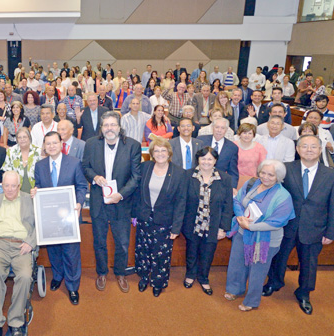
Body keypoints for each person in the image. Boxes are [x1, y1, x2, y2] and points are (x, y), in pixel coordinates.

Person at [262, 135, 334, 315]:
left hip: (315, 228)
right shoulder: (285, 170)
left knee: (309, 263)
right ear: (297, 150)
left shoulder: (333, 176)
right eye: (304, 146)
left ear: (320, 150)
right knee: (278, 258)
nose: (308, 150)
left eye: (313, 147)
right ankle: (273, 282)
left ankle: (304, 293)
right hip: (286, 224)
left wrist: (331, 232)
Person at [82, 111, 141, 293]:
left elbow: (136, 177)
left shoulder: (132, 146)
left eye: (112, 125)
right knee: (99, 241)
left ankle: (120, 273)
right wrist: (95, 177)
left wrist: (121, 195)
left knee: (122, 242)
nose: (109, 128)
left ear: (119, 127)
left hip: (121, 202)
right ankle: (101, 272)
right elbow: (85, 167)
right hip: (99, 200)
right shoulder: (91, 144)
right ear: (101, 128)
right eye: (106, 125)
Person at [225, 159, 295, 311]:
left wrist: (251, 226)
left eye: (271, 174)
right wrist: (240, 217)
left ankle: (251, 301)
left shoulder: (283, 196)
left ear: (278, 177)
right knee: (237, 262)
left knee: (258, 270)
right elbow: (237, 201)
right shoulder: (251, 183)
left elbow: (278, 222)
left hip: (266, 240)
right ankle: (235, 289)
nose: (265, 177)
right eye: (263, 172)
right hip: (242, 232)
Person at [31, 131, 87, 304]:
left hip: (69, 216)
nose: (51, 146)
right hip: (50, 218)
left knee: (71, 253)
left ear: (61, 143)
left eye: (55, 143)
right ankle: (57, 276)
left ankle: (72, 286)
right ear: (44, 146)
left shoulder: (75, 163)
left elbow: (82, 186)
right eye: (48, 144)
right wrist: (35, 191)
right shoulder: (40, 166)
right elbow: (39, 186)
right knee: (54, 250)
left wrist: (78, 203)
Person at [0, 171, 35, 336]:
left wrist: (31, 243)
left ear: (19, 186)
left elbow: (39, 226)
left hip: (22, 245)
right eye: (6, 186)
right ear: (2, 186)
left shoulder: (29, 200)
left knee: (25, 276)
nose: (10, 189)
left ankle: (16, 321)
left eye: (13, 186)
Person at [133, 138, 186, 296]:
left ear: (169, 153)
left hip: (165, 221)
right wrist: (134, 215)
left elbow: (181, 202)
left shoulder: (179, 173)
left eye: (163, 150)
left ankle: (158, 282)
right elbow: (137, 193)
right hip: (144, 218)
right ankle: (144, 277)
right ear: (152, 153)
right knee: (142, 251)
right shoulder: (144, 167)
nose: (160, 154)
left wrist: (176, 227)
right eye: (156, 151)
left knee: (161, 254)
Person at [182, 147, 233, 295]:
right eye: (203, 158)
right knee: (191, 250)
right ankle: (190, 275)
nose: (206, 162)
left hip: (213, 224)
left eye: (210, 159)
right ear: (198, 159)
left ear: (215, 160)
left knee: (208, 252)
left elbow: (228, 205)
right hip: (192, 222)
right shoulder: (187, 175)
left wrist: (223, 227)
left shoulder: (225, 179)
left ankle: (204, 278)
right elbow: (182, 200)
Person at [197, 117, 239, 188]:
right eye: (217, 127)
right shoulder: (201, 140)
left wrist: (233, 187)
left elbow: (233, 172)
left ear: (226, 130)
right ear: (212, 128)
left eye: (222, 128)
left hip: (220, 184)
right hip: (199, 181)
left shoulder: (232, 148)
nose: (219, 130)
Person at [2, 127, 41, 194]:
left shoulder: (38, 151)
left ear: (29, 138)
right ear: (17, 139)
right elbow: (7, 172)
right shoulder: (11, 151)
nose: (22, 139)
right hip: (16, 193)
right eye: (19, 137)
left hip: (35, 192)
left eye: (24, 137)